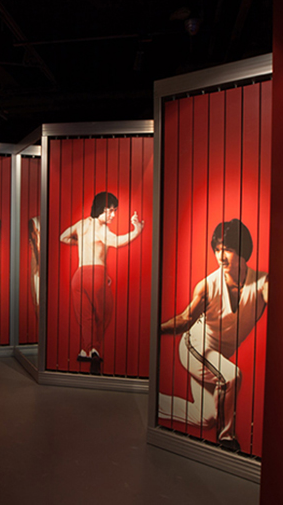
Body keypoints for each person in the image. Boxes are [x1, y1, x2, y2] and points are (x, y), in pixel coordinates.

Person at [158, 219, 269, 452]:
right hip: (195, 347)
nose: (221, 256)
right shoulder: (208, 286)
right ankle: (227, 438)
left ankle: (155, 402)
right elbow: (185, 319)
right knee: (231, 376)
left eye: (226, 249)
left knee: (206, 417)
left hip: (216, 357)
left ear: (242, 250)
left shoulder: (261, 283)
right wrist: (156, 329)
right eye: (217, 250)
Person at [60, 192, 144, 374]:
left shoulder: (82, 224)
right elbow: (116, 242)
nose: (113, 215)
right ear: (101, 209)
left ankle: (87, 351)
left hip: (78, 277)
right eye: (110, 210)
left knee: (86, 318)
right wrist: (136, 231)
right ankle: (95, 351)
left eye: (115, 211)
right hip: (96, 275)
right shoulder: (101, 229)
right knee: (103, 315)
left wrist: (81, 243)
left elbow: (63, 237)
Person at [28, 216, 40, 320]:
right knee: (37, 298)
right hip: (37, 259)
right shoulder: (34, 221)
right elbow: (34, 243)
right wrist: (39, 263)